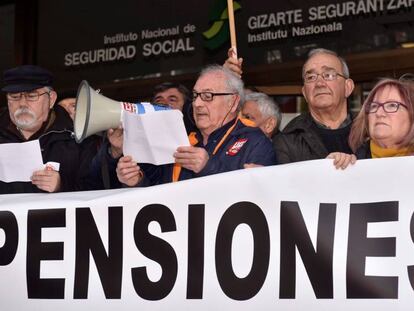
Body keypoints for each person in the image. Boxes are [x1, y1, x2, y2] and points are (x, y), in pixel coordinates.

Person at [115, 64, 277, 187]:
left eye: (208, 96)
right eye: (195, 95)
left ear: (233, 102)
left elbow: (257, 197)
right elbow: (158, 197)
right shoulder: (181, 141)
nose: (197, 103)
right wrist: (136, 180)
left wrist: (208, 167)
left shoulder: (255, 142)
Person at [224, 47, 356, 164]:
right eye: (311, 77)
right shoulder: (287, 140)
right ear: (304, 92)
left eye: (328, 75)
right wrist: (225, 82)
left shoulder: (370, 129)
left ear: (348, 87)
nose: (320, 83)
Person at [0, 65, 96, 193]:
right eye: (15, 96)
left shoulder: (78, 140)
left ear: (51, 99)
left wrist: (61, 185)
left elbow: (97, 190)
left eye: (32, 95)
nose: (22, 103)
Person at [328, 76, 414, 169]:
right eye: (374, 106)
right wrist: (329, 169)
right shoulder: (351, 165)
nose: (379, 113)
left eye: (392, 105)